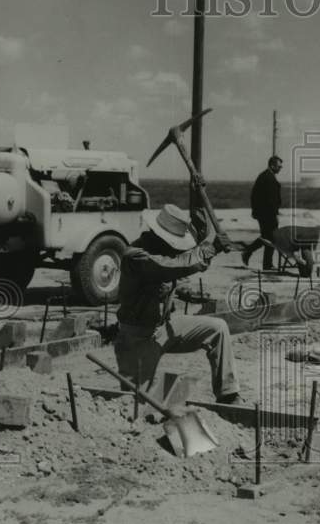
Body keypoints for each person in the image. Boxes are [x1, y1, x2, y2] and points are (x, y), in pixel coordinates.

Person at [115, 203, 241, 404]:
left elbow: (167, 277)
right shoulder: (136, 256)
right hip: (136, 339)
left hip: (163, 329)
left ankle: (228, 394)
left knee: (218, 328)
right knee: (137, 403)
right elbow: (168, 267)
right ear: (156, 235)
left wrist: (185, 291)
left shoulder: (160, 252)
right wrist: (211, 249)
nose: (173, 248)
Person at [242, 155, 282, 270]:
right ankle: (250, 252)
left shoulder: (266, 176)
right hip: (267, 214)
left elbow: (254, 196)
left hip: (264, 213)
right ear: (272, 165)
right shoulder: (267, 177)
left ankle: (264, 262)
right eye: (279, 166)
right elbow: (270, 199)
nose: (280, 168)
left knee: (268, 237)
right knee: (270, 237)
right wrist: (274, 213)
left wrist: (255, 211)